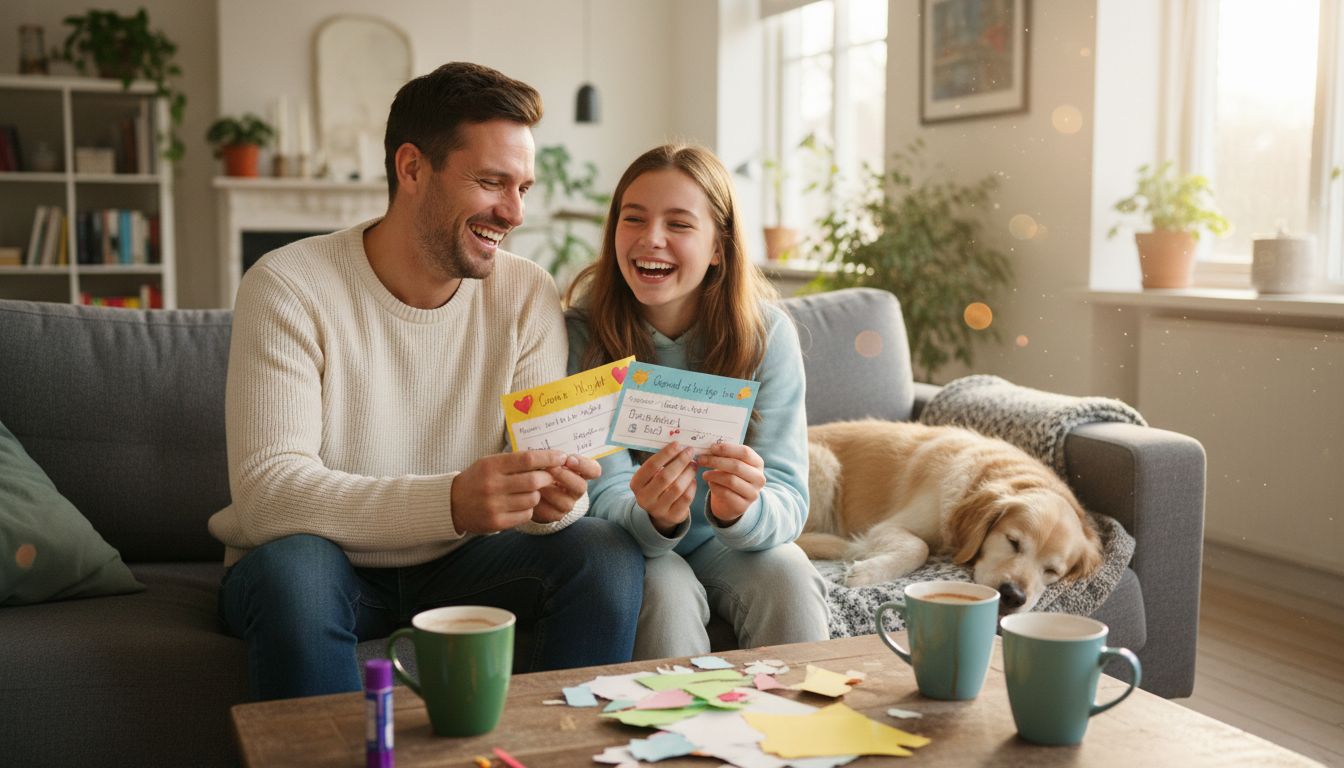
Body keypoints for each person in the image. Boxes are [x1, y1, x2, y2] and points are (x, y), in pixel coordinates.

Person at [208, 62, 645, 701]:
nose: (514, 211)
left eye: (523, 187)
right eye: (492, 182)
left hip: (466, 562)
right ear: (412, 168)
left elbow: (542, 477)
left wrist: (555, 503)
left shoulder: (526, 294)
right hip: (322, 564)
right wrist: (450, 502)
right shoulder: (288, 286)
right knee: (295, 572)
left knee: (603, 552)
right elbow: (268, 494)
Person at [564, 143, 829, 658]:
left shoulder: (768, 336)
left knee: (790, 577)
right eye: (632, 218)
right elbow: (601, 492)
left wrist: (741, 512)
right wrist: (655, 516)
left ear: (718, 248)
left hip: (729, 544)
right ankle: (675, 737)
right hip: (631, 540)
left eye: (679, 224)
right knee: (663, 591)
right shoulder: (582, 334)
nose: (651, 239)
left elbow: (788, 496)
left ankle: (797, 732)